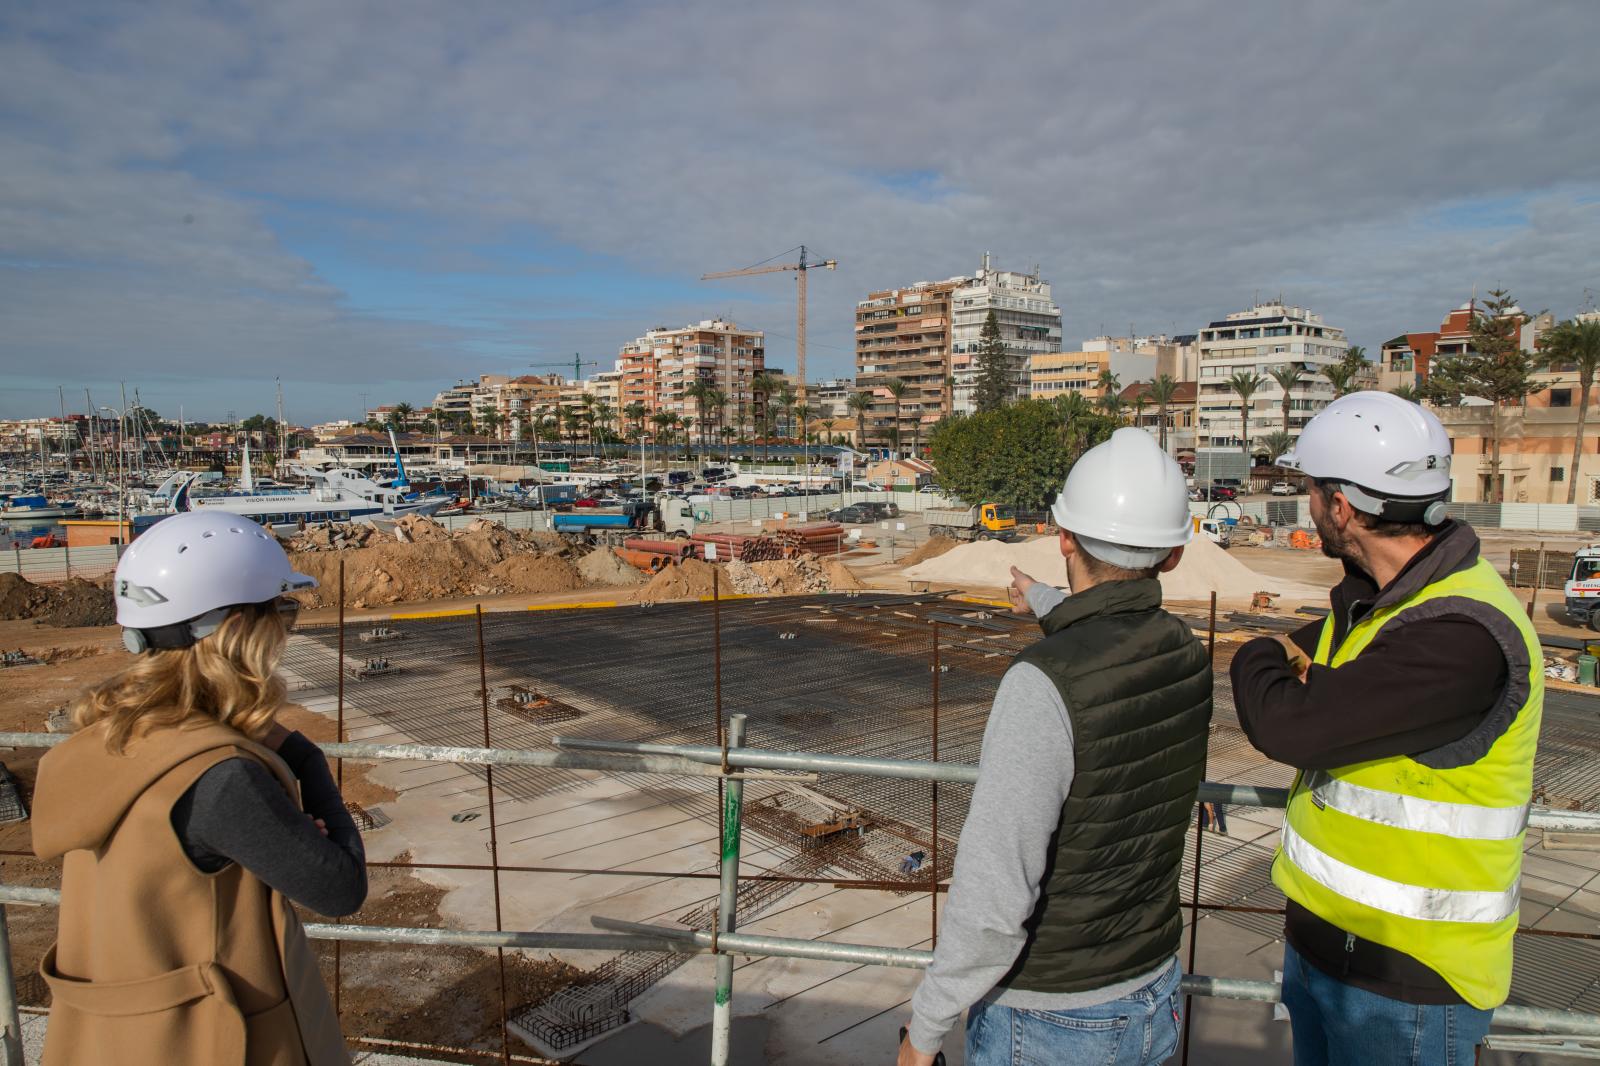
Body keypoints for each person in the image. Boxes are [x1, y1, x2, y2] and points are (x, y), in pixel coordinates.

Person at [1230, 392, 1541, 1066]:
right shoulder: (1374, 603)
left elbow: (1288, 725)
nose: (1308, 505)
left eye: (1311, 489)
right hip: (1327, 953)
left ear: (1341, 506)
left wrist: (1255, 649)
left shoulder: (1460, 635)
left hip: (1410, 987)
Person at [898, 428, 1213, 1066]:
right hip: (1153, 990)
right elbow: (1108, 627)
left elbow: (994, 891)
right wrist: (1040, 598)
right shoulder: (1185, 652)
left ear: (1062, 536)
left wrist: (924, 1032)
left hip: (1054, 1019)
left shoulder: (1041, 685)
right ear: (1174, 554)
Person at [32, 510, 364, 1065]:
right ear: (238, 628)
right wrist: (302, 758)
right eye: (282, 610)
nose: (285, 628)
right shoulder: (222, 777)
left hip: (115, 1039)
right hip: (219, 1039)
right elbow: (339, 887)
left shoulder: (109, 739)